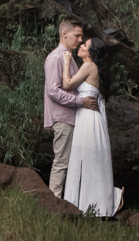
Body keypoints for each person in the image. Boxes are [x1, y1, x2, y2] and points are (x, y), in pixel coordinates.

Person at [60, 38, 123, 217]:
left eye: (85, 45)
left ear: (91, 52)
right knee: (89, 160)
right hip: (90, 116)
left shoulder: (89, 66)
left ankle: (86, 204)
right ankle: (93, 203)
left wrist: (66, 62)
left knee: (84, 158)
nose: (81, 46)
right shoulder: (92, 67)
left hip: (88, 118)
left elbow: (67, 85)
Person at [44, 19, 99, 199]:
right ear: (64, 34)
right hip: (63, 118)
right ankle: (53, 204)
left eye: (81, 36)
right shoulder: (56, 57)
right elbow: (53, 91)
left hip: (72, 118)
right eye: (77, 35)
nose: (80, 39)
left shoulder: (69, 58)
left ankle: (69, 201)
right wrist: (80, 101)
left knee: (70, 162)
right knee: (61, 163)